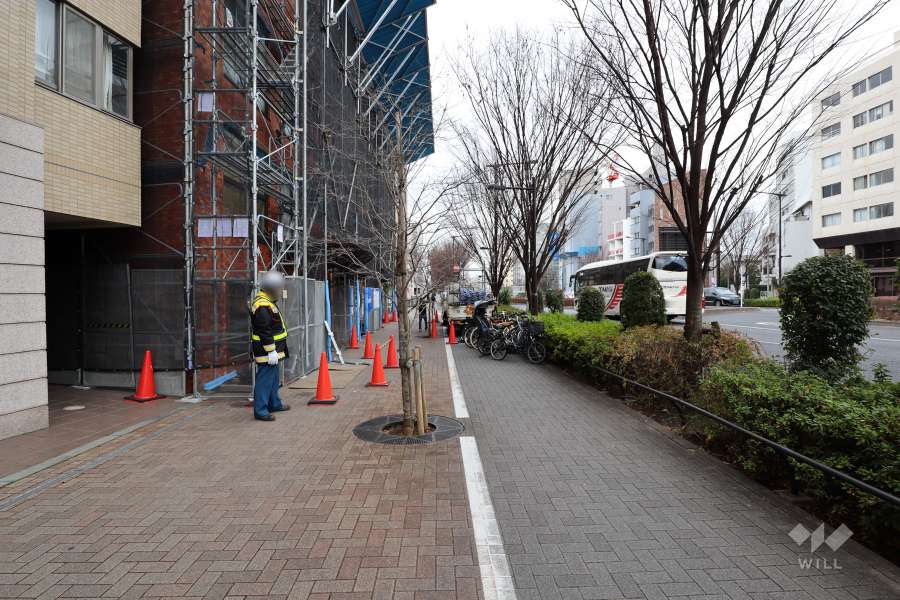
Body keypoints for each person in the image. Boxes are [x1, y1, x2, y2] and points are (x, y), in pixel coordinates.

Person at [250, 271, 290, 421]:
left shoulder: (267, 302)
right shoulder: (262, 304)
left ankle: (274, 403)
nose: (281, 291)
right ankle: (260, 410)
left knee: (273, 379)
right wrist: (271, 350)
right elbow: (264, 330)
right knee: (265, 380)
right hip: (267, 350)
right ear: (272, 288)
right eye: (279, 288)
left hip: (274, 350)